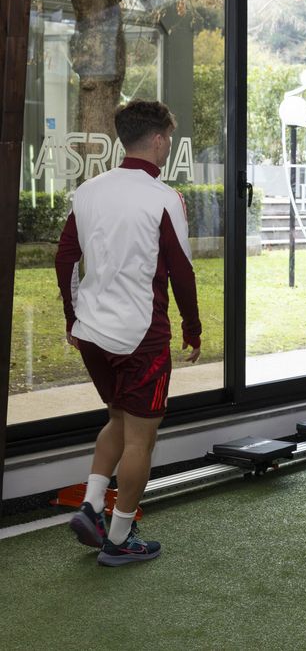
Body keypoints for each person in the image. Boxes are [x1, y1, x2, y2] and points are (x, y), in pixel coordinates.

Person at [56, 100, 202, 566]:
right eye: (169, 139)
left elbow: (65, 260)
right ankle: (119, 540)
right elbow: (181, 270)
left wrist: (71, 317)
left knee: (118, 421)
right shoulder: (164, 197)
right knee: (142, 439)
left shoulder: (88, 191)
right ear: (158, 139)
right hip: (142, 337)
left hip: (93, 334)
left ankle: (92, 507)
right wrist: (193, 328)